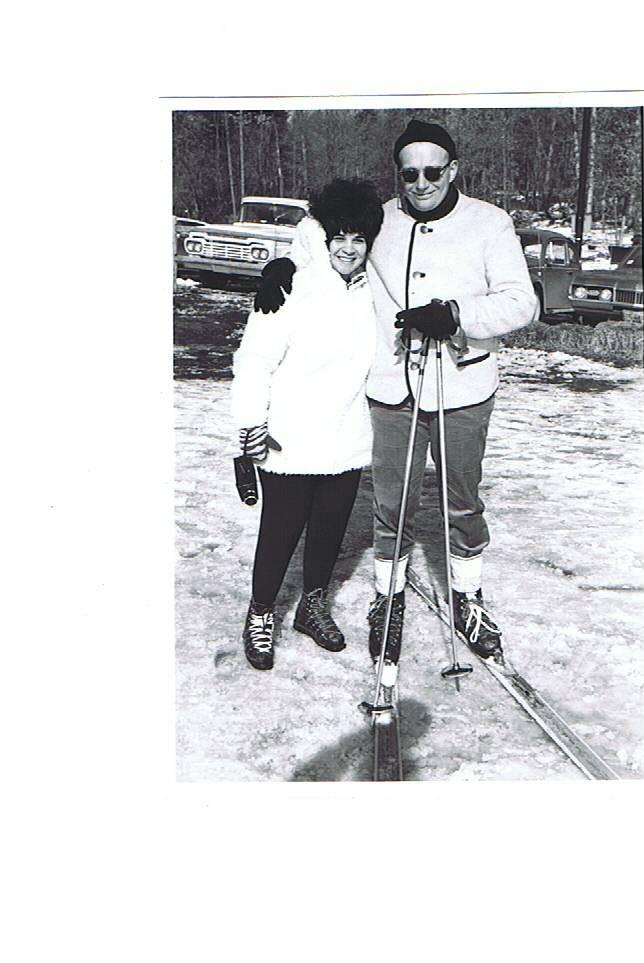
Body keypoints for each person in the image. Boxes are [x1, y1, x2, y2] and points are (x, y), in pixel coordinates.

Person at [256, 119, 538, 671]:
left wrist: (457, 314)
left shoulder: (489, 222)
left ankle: (469, 600)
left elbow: (520, 303)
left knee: (462, 501)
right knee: (392, 504)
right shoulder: (380, 218)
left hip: (462, 385)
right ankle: (388, 599)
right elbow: (320, 228)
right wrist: (285, 262)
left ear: (452, 170)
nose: (422, 182)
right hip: (392, 387)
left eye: (434, 171)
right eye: (410, 173)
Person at [232, 179, 383, 670]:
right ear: (321, 234)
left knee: (328, 532)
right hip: (289, 437)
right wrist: (249, 427)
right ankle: (260, 613)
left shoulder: (371, 292)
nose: (348, 247)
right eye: (339, 236)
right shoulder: (290, 284)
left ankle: (312, 607)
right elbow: (254, 361)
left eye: (358, 238)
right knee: (279, 532)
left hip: (346, 435)